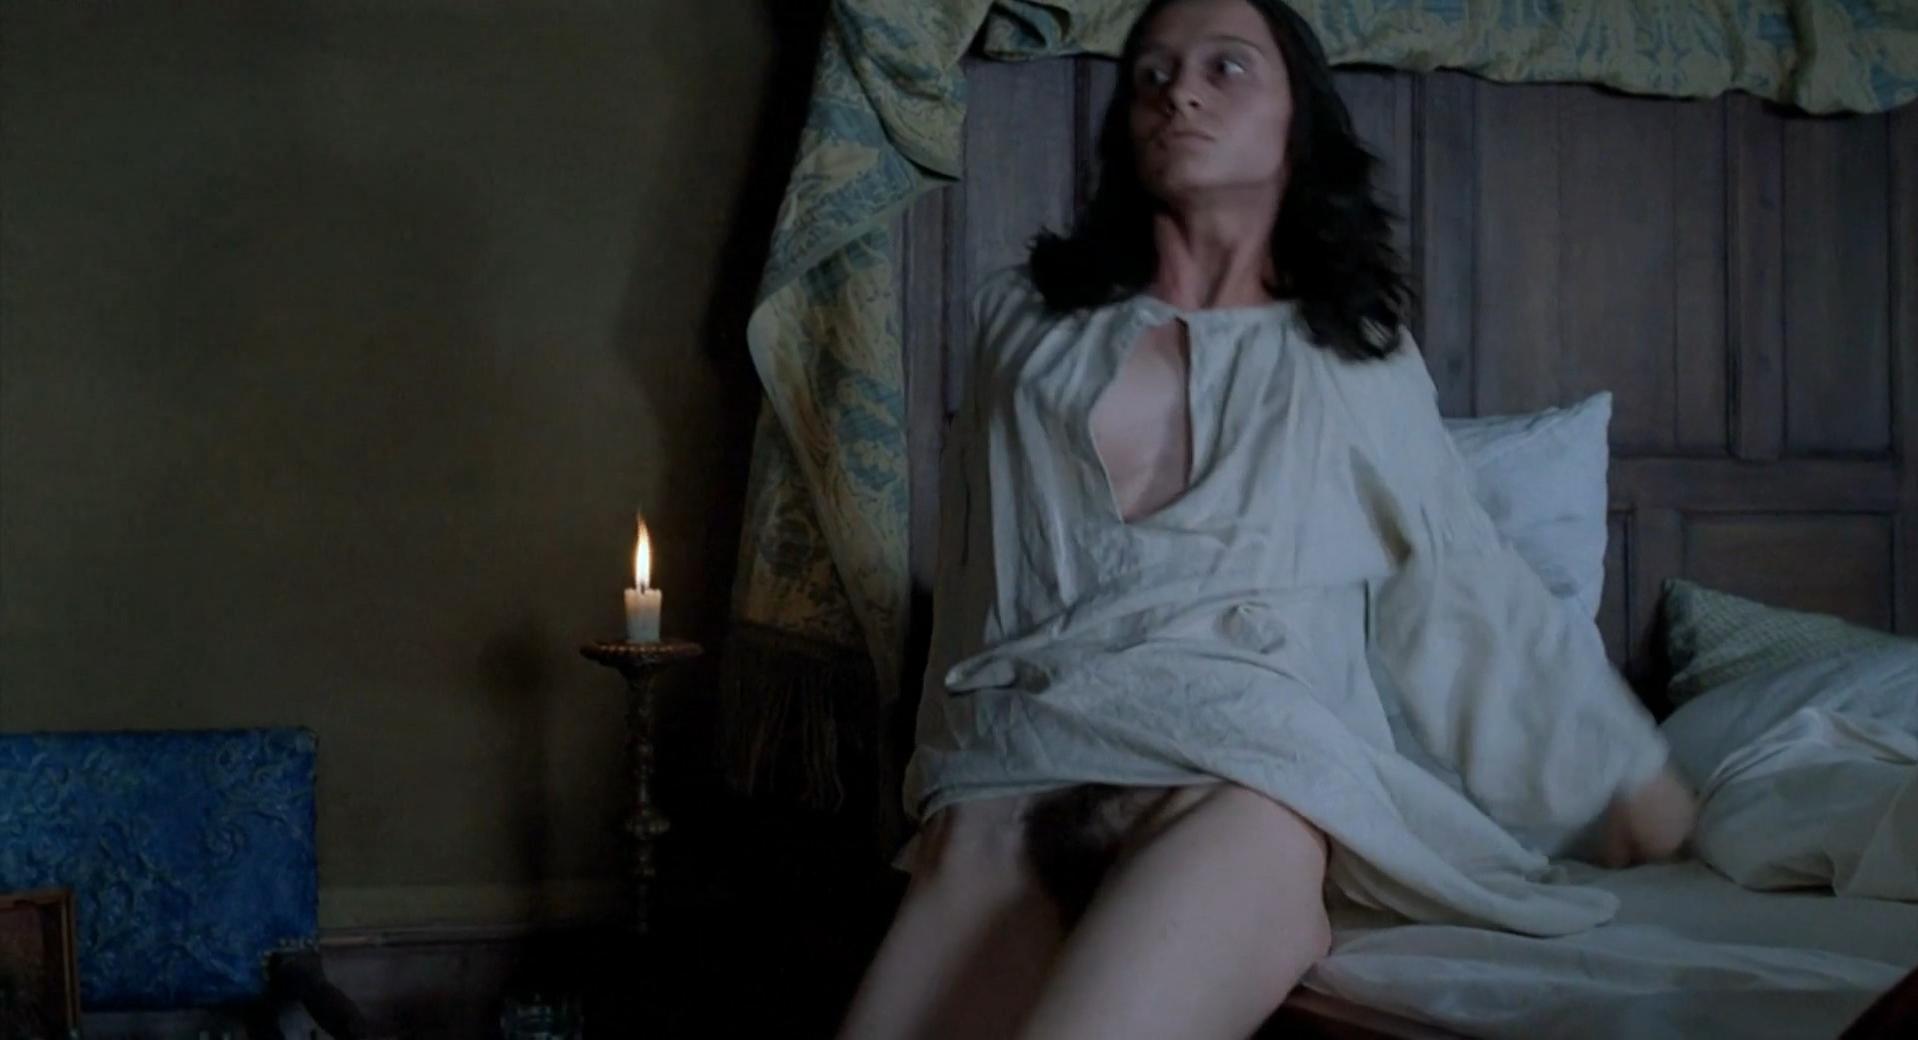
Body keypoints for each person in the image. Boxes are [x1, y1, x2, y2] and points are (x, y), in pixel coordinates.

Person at [835, 1, 1699, 1037]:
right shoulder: (1019, 322)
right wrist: (941, 776)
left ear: (1299, 118)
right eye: (1153, 73)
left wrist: (1621, 778)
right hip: (1023, 757)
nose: (1180, 94)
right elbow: (978, 563)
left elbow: (1455, 580)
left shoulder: (1353, 355)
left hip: (1245, 773)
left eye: (1226, 67)